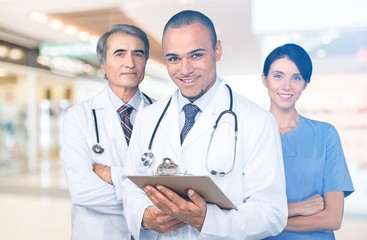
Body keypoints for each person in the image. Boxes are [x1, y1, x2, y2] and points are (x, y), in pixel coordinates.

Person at [121, 10, 287, 239]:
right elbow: (129, 185)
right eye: (174, 58)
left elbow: (272, 212)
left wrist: (208, 219)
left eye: (196, 55)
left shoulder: (257, 122)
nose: (185, 69)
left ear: (217, 51)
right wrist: (144, 216)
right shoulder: (148, 117)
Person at [61, 24, 153, 240]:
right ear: (103, 63)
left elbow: (174, 179)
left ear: (145, 62)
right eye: (119, 53)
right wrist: (146, 201)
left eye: (137, 54)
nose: (130, 63)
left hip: (152, 234)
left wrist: (112, 175)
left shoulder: (163, 115)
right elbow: (82, 191)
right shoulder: (79, 117)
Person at [261, 43, 354, 240]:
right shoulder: (249, 134)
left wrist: (266, 221)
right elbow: (236, 209)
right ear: (264, 79)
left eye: (296, 78)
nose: (287, 85)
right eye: (278, 76)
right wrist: (297, 208)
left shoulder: (325, 135)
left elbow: (332, 218)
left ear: (305, 83)